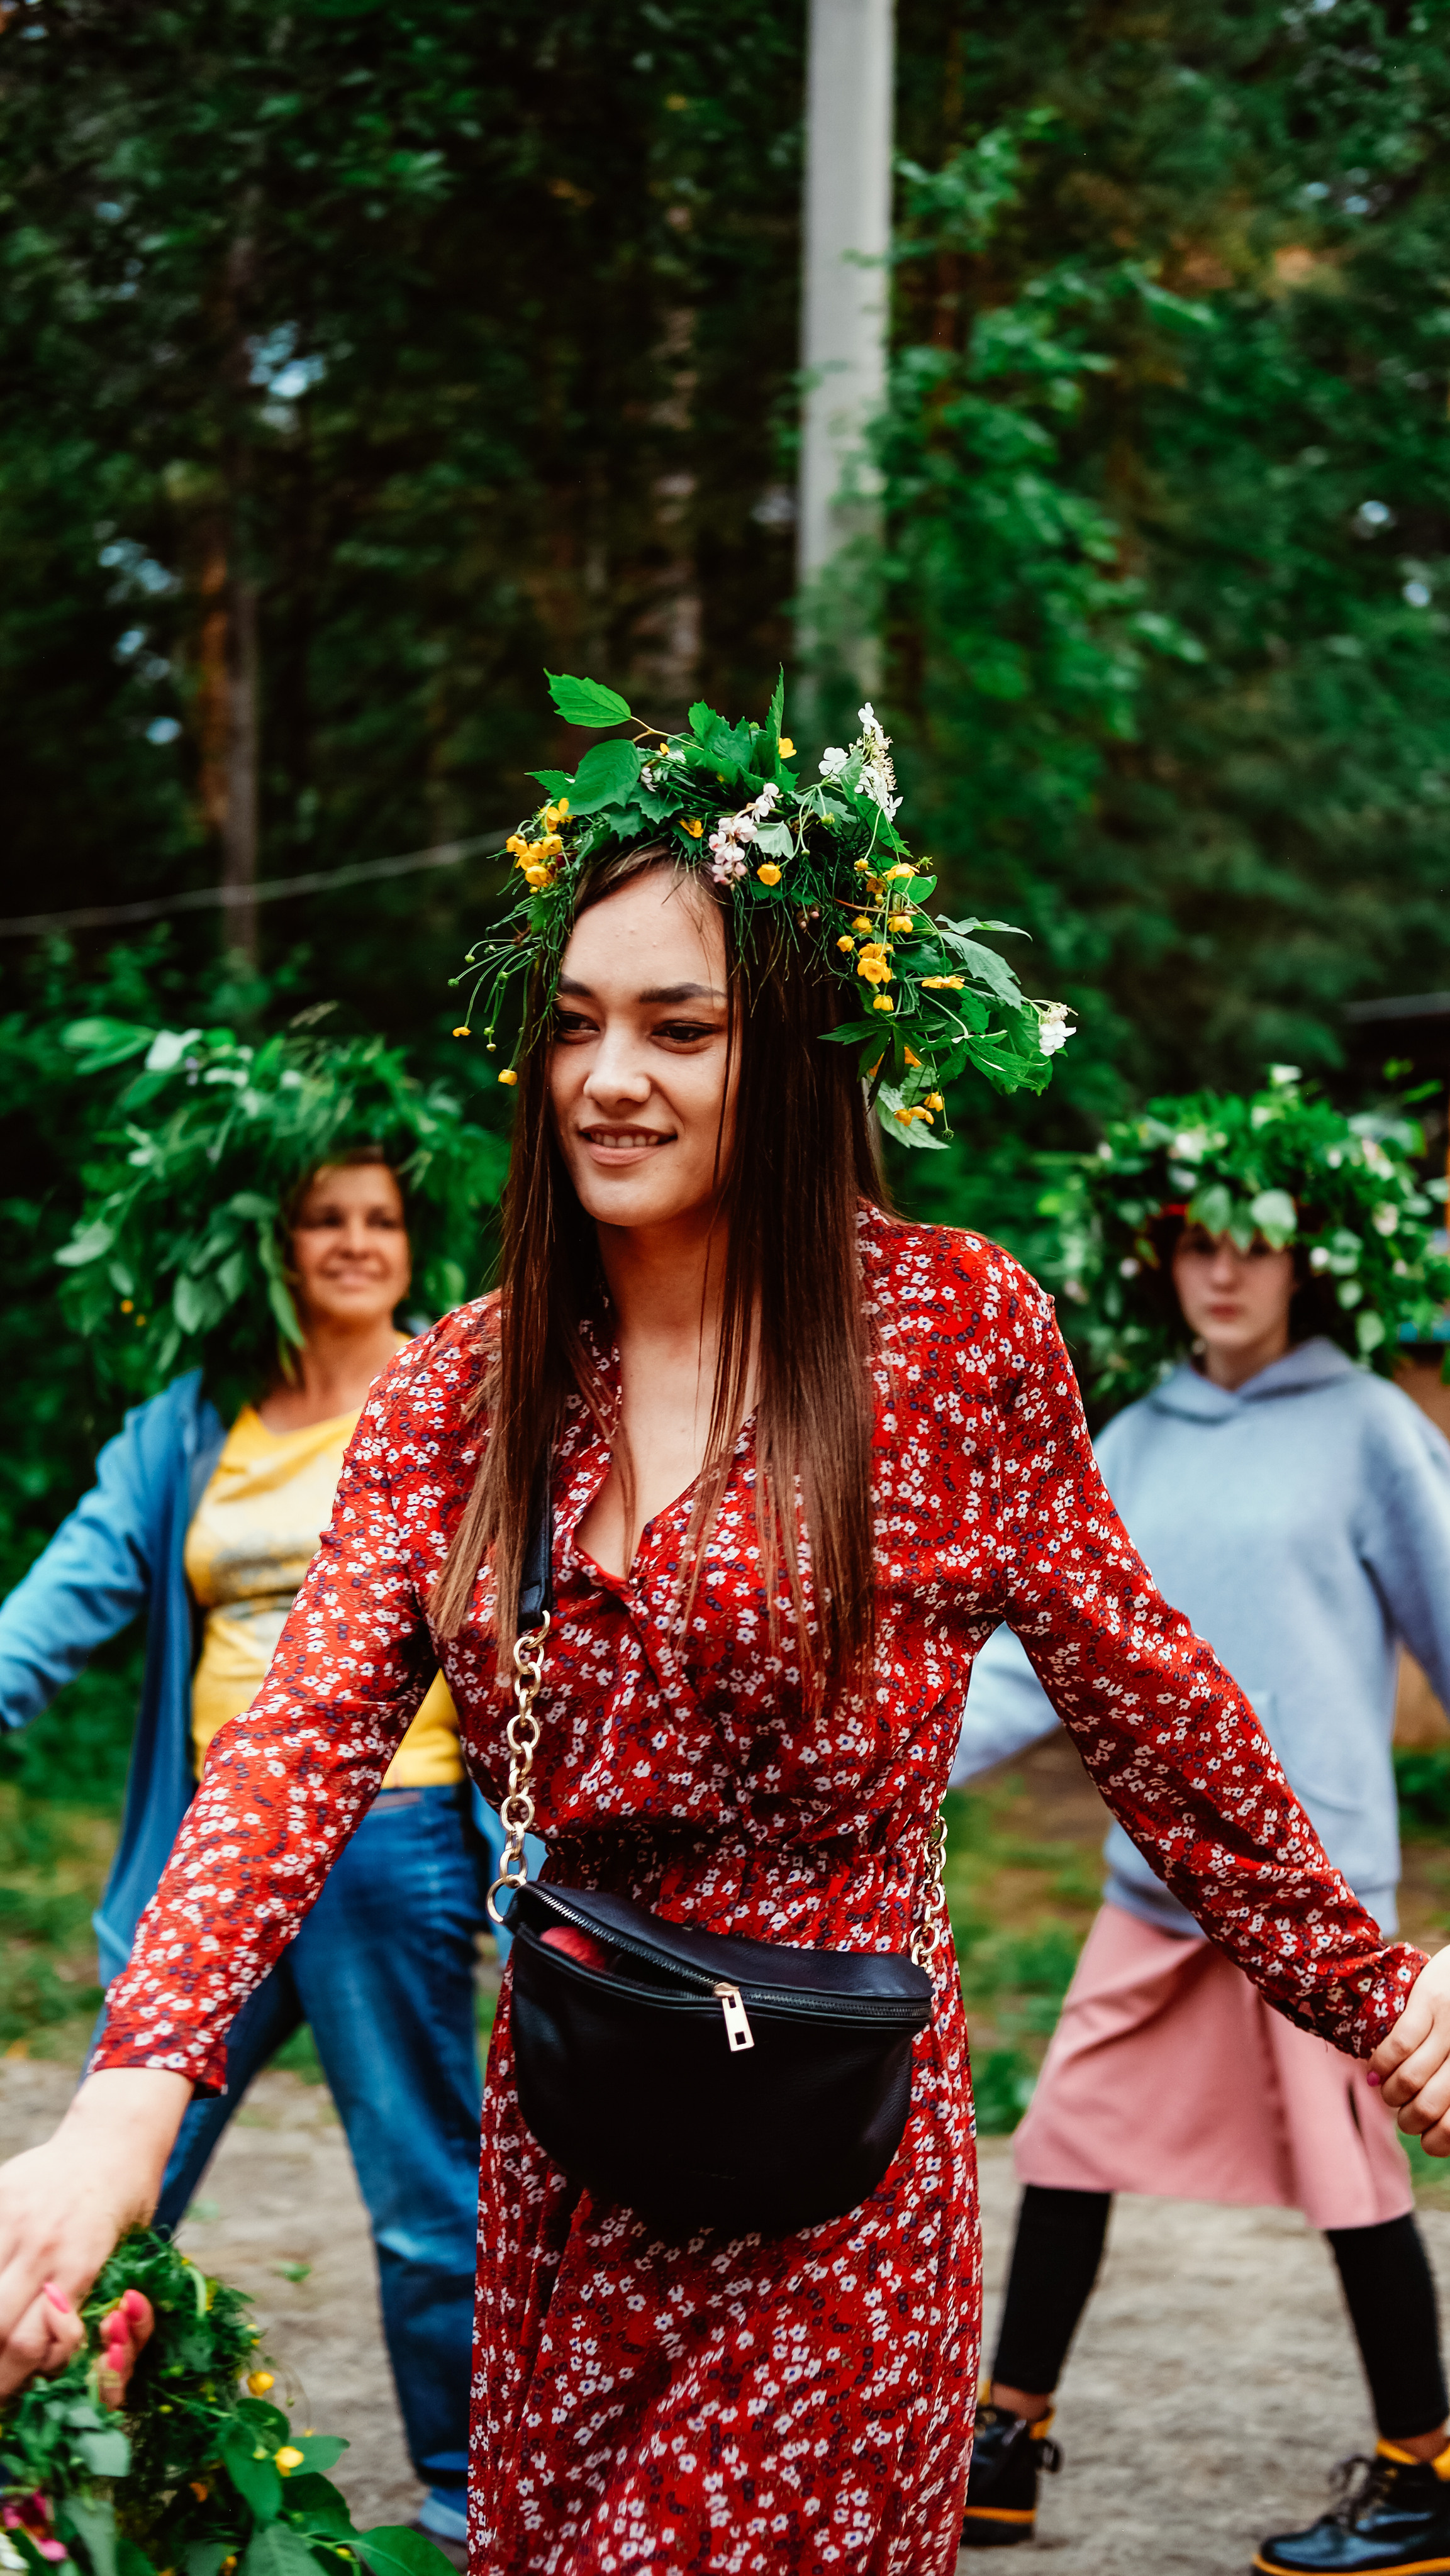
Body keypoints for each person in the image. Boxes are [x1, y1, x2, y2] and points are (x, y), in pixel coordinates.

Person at [3, 688, 1450, 2576]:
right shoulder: (468, 1384)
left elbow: (1153, 1708)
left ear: (790, 1050)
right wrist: (130, 2099)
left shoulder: (949, 1339)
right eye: (578, 1025)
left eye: (679, 1027)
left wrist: (1372, 1983)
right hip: (575, 2168)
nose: (611, 1075)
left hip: (837, 2182)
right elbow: (297, 1746)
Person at [953, 1082, 1450, 2573]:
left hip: (1314, 1895)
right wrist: (883, 1760)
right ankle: (1005, 2437)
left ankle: (1425, 2465)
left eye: (1257, 1240)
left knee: (1354, 2171)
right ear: (1159, 1258)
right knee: (1066, 2140)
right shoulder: (1137, 1440)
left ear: (1311, 1261)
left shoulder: (1367, 1429)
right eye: (1194, 1240)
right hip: (1151, 1886)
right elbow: (1033, 1658)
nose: (1223, 1268)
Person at [0, 1142, 490, 2564]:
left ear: (411, 1240)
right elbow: (70, 1588)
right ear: (273, 1246)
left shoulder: (455, 1388)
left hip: (393, 1840)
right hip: (213, 1863)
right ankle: (42, 2454)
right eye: (321, 1218)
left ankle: (466, 2501)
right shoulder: (191, 1426)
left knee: (418, 2187)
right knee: (125, 2163)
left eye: (378, 1217)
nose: (352, 1240)